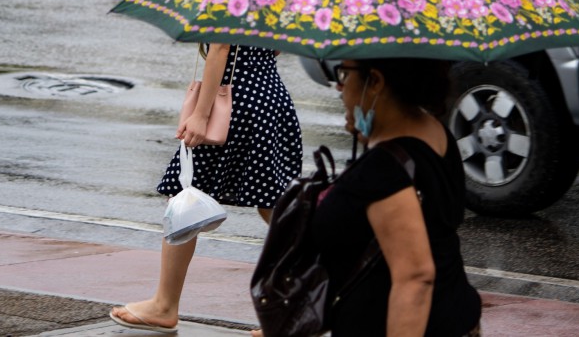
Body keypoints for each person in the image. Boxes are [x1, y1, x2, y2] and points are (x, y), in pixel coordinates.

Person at [110, 43, 303, 333]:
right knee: (274, 205)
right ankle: (297, 308)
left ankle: (164, 305)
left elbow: (221, 47)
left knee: (185, 197)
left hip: (236, 100)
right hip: (269, 95)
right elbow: (275, 47)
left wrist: (201, 114)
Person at [311, 57, 482, 336]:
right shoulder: (432, 131)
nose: (340, 87)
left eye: (345, 74)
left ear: (375, 81)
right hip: (456, 314)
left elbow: (415, 277)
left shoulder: (384, 168)